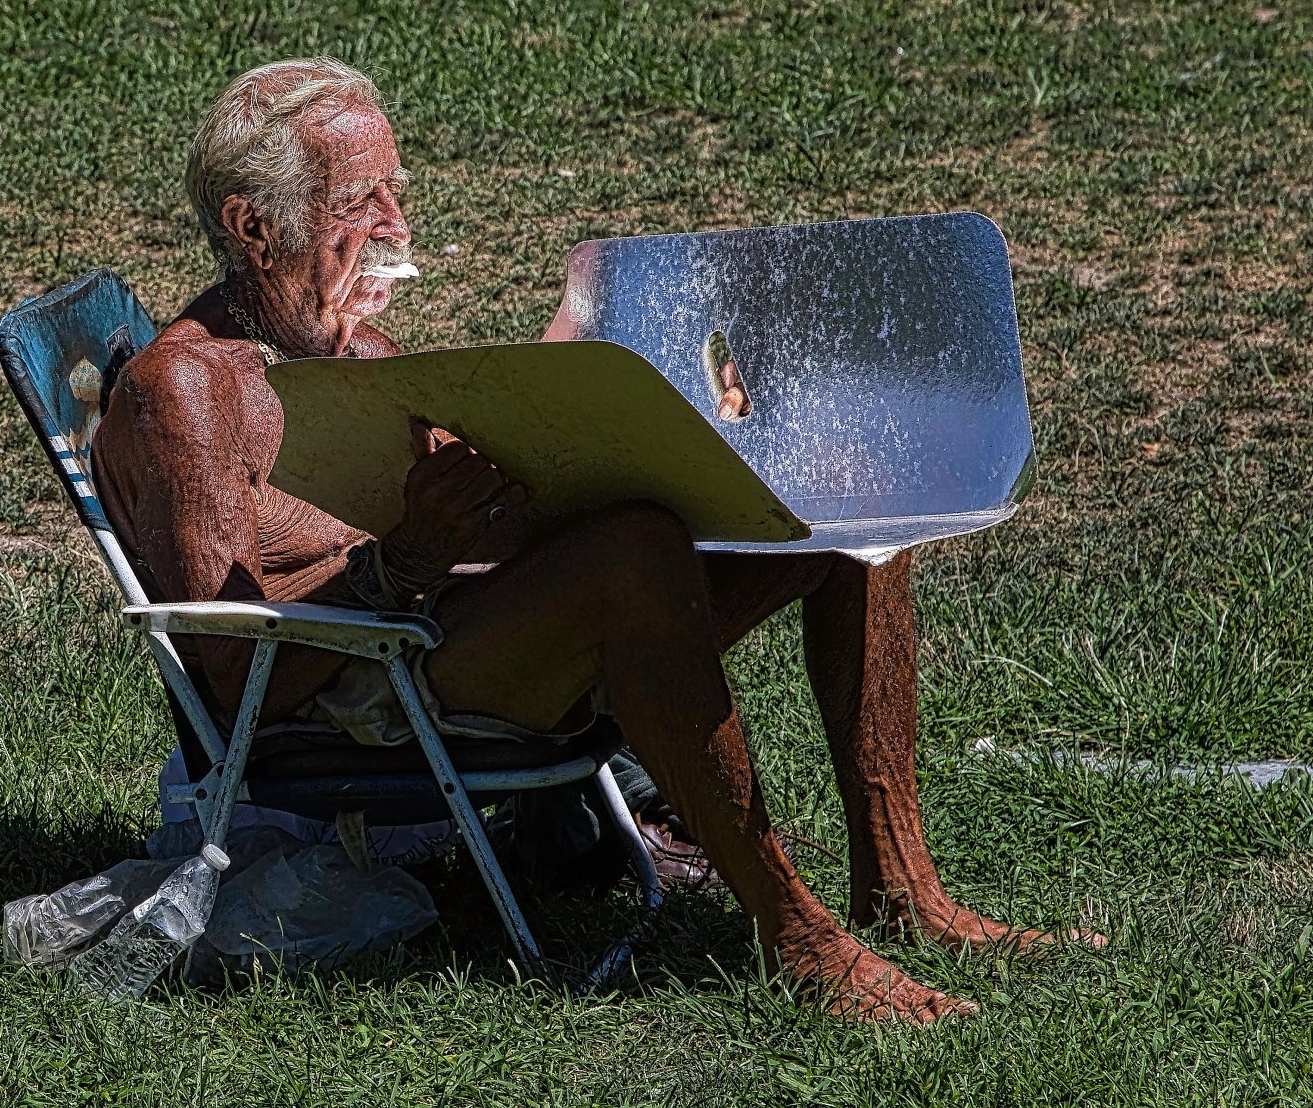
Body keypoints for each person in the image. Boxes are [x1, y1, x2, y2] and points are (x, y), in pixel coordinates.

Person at [91, 57, 1101, 1022]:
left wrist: (661, 440)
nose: (399, 225)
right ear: (251, 225)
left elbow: (495, 518)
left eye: (396, 190)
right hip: (353, 692)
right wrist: (397, 566)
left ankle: (898, 883)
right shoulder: (186, 390)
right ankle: (795, 935)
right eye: (359, 204)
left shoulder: (358, 353)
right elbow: (226, 677)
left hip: (434, 635)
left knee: (846, 513)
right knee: (627, 560)